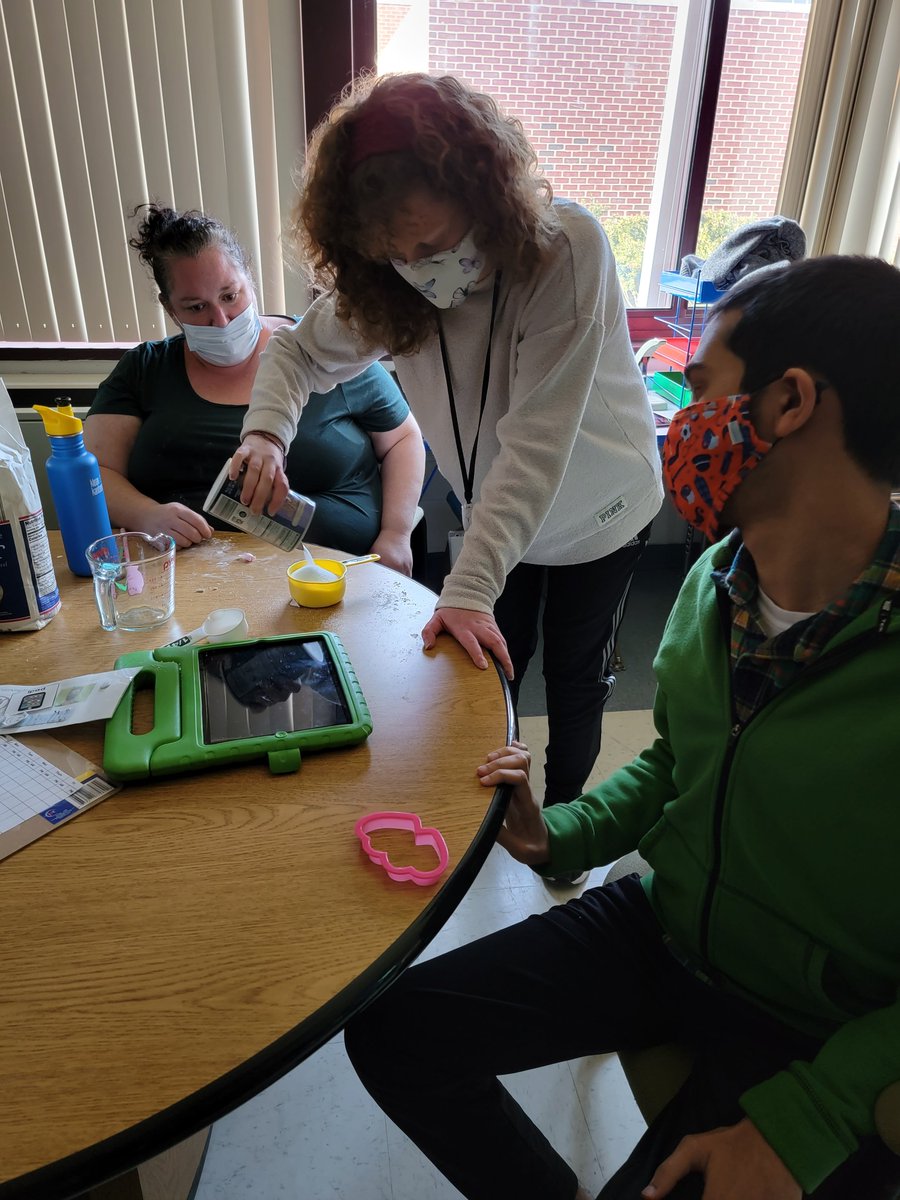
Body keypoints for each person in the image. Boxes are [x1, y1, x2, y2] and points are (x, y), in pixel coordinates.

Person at [343, 254, 900, 1200]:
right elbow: (678, 770)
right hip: (669, 933)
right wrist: (555, 832)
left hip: (818, 1024)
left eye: (704, 387)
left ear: (790, 402)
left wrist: (808, 1124)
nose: (679, 421)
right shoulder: (715, 579)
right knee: (395, 1029)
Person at [230, 72, 664, 825]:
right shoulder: (390, 284)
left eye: (431, 242)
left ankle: (559, 826)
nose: (420, 268)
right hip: (497, 515)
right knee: (491, 668)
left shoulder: (567, 249)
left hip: (600, 512)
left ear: (482, 192)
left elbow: (533, 447)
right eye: (394, 253)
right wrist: (265, 432)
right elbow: (297, 352)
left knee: (574, 676)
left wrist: (465, 587)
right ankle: (492, 818)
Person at [84, 203, 424, 574]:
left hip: (338, 574)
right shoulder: (146, 369)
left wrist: (396, 533)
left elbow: (403, 439)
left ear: (251, 279)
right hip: (191, 584)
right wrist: (145, 514)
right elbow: (93, 470)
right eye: (196, 307)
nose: (221, 320)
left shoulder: (324, 347)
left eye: (230, 296)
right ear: (170, 309)